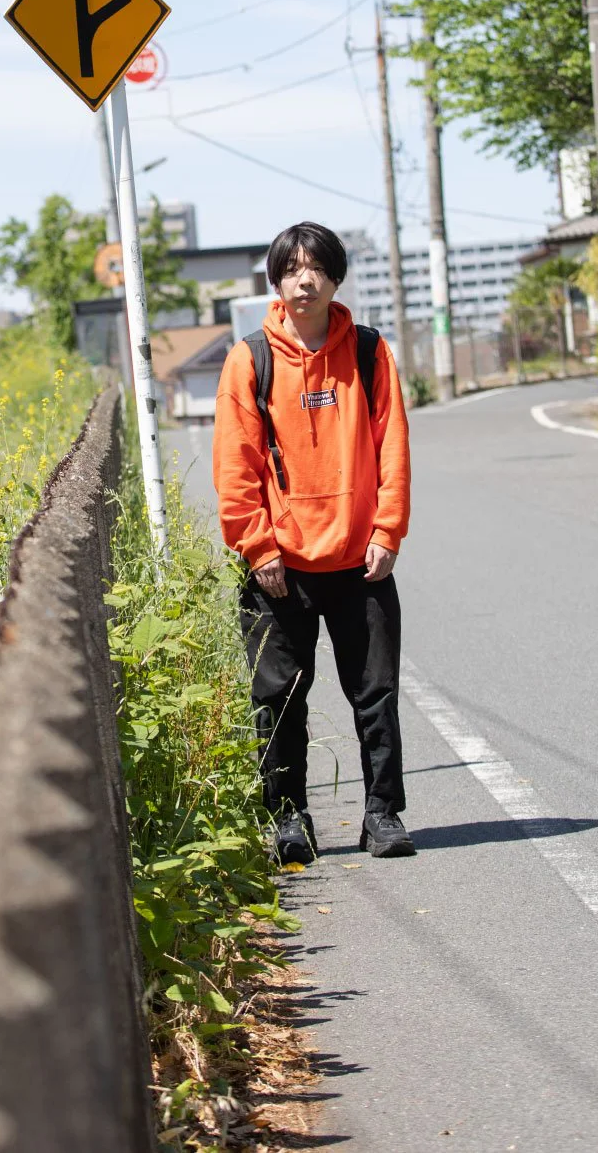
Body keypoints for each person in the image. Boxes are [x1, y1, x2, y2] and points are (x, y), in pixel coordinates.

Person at [212, 220, 414, 863]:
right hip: (280, 568)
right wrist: (258, 547)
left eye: (318, 267)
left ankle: (382, 815)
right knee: (278, 699)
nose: (306, 278)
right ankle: (288, 820)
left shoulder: (369, 352)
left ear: (335, 277)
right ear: (276, 280)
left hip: (363, 561)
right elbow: (234, 463)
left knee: (375, 695)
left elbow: (394, 447)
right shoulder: (251, 358)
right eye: (293, 267)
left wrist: (388, 531)